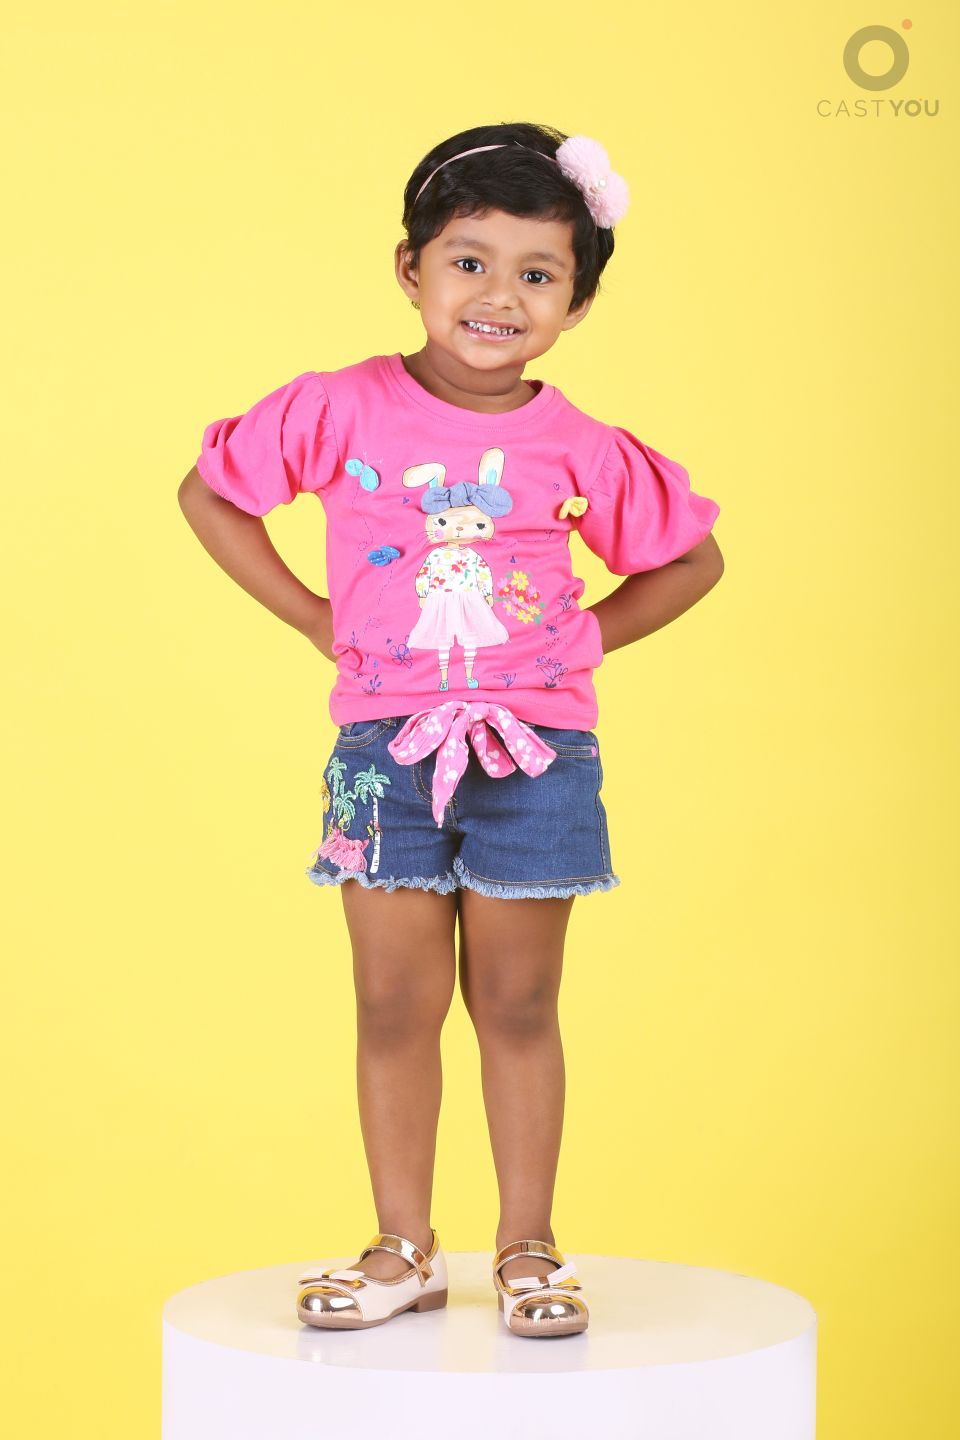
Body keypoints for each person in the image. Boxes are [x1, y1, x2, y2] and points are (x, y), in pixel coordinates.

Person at [178, 121, 724, 1338]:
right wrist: (315, 618)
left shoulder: (579, 444)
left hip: (537, 758)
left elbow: (691, 560)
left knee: (518, 1007)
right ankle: (404, 1247)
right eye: (469, 261)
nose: (499, 295)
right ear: (410, 268)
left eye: (538, 274)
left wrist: (581, 640)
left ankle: (527, 1245)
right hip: (385, 753)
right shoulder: (337, 407)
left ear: (577, 303)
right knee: (392, 1002)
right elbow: (210, 494)